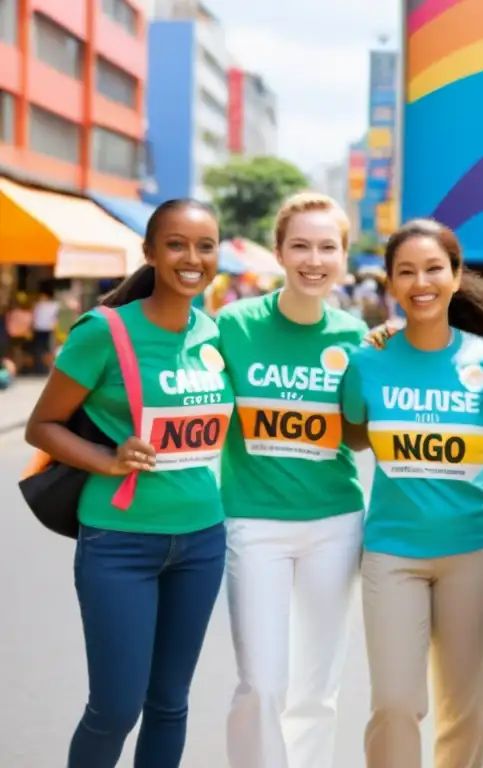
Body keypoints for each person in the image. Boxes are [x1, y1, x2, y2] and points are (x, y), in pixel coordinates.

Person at [24, 199, 233, 768]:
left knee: (170, 704)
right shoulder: (105, 331)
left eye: (205, 245)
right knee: (115, 707)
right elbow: (41, 427)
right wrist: (104, 456)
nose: (192, 258)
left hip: (202, 541)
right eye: (176, 244)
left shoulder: (218, 335)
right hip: (119, 543)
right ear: (149, 252)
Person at [344, 219, 483, 768]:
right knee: (395, 702)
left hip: (476, 551)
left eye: (434, 269)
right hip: (393, 552)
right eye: (406, 272)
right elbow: (352, 436)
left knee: (464, 709)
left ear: (457, 276)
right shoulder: (367, 359)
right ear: (391, 284)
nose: (421, 282)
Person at [217, 193, 368, 768]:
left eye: (327, 246)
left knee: (315, 687)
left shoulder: (357, 339)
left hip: (334, 523)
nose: (313, 259)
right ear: (278, 252)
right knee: (262, 681)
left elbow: (359, 431)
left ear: (343, 256)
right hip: (253, 523)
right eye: (300, 245)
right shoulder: (234, 326)